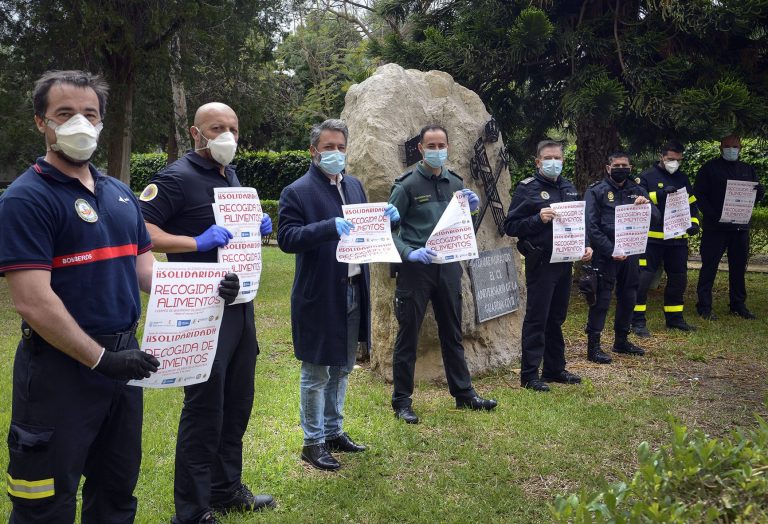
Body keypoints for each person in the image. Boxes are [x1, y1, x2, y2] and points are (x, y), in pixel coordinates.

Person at [0, 70, 164, 523]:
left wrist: (208, 285)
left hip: (123, 359)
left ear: (101, 123)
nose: (79, 123)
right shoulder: (25, 199)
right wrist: (99, 360)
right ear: (41, 123)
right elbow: (32, 299)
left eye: (89, 114)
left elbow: (145, 270)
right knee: (44, 503)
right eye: (64, 113)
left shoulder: (120, 195)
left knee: (116, 490)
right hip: (59, 368)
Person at [139, 102, 274, 524]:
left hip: (239, 306)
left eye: (233, 127)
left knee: (238, 402)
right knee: (204, 410)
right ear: (196, 132)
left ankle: (226, 487)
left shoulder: (229, 175)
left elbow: (235, 234)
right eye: (217, 128)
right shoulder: (175, 178)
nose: (227, 136)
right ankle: (193, 509)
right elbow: (140, 231)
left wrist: (256, 225)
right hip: (199, 313)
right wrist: (195, 242)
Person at [278, 119, 397, 470]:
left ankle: (334, 431)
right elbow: (287, 238)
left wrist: (390, 218)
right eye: (328, 147)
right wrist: (327, 228)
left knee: (344, 367)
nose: (335, 153)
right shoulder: (296, 191)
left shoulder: (356, 187)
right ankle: (312, 442)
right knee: (316, 371)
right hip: (319, 293)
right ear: (314, 151)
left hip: (353, 290)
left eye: (341, 147)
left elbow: (369, 234)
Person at [388, 124, 497, 424]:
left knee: (452, 332)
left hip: (448, 269)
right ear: (421, 149)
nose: (438, 151)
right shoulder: (406, 185)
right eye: (431, 146)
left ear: (448, 147)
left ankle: (464, 394)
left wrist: (471, 210)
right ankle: (401, 401)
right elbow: (389, 229)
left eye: (442, 145)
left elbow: (459, 226)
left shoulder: (455, 183)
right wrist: (409, 252)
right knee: (407, 335)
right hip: (416, 269)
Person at [504, 140, 592, 392]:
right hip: (541, 261)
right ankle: (530, 375)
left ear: (563, 160)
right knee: (537, 318)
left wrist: (586, 245)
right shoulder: (528, 189)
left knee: (556, 317)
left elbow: (578, 223)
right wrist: (537, 219)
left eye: (558, 158)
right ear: (538, 161)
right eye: (548, 158)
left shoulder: (568, 187)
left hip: (564, 261)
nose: (554, 162)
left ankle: (554, 369)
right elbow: (510, 226)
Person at [584, 152, 660, 364]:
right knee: (602, 299)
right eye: (616, 165)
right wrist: (611, 250)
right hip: (606, 255)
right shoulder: (596, 191)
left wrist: (646, 206)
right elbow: (592, 226)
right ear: (608, 168)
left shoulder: (637, 190)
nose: (620, 168)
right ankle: (594, 346)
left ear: (630, 167)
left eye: (624, 165)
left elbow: (656, 218)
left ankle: (621, 340)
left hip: (631, 253)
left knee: (629, 296)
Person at [631, 140, 701, 337]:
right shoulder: (646, 176)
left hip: (677, 238)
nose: (674, 163)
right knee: (643, 279)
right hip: (650, 239)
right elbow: (636, 199)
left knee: (679, 278)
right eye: (671, 159)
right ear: (662, 157)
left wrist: (694, 223)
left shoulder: (683, 178)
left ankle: (675, 319)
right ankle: (637, 321)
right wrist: (660, 194)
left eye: (678, 160)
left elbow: (692, 205)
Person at [695, 135, 765, 320]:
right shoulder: (709, 168)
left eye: (735, 146)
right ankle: (704, 306)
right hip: (715, 228)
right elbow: (699, 196)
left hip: (740, 229)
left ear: (740, 147)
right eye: (727, 146)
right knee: (709, 267)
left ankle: (738, 304)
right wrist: (714, 216)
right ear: (721, 147)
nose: (731, 149)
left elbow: (756, 194)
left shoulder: (747, 169)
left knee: (738, 267)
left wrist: (760, 192)